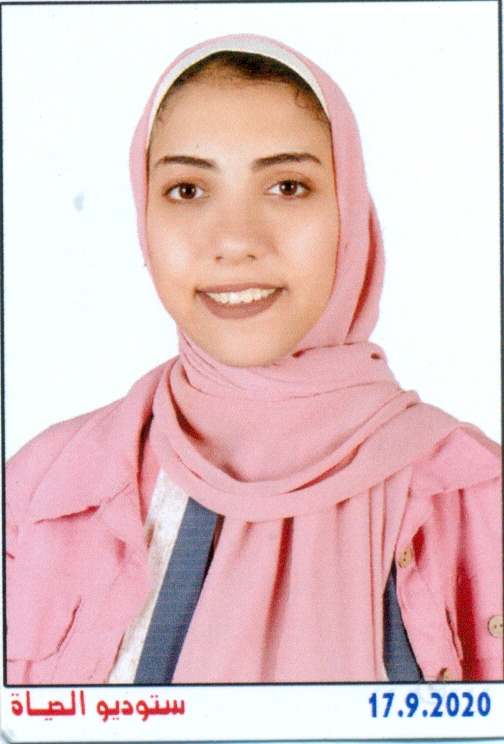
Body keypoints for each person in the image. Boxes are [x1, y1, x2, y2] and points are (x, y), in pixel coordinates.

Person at [6, 35, 502, 685]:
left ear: (349, 213)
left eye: (288, 186)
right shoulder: (41, 492)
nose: (236, 241)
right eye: (187, 190)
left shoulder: (474, 496)